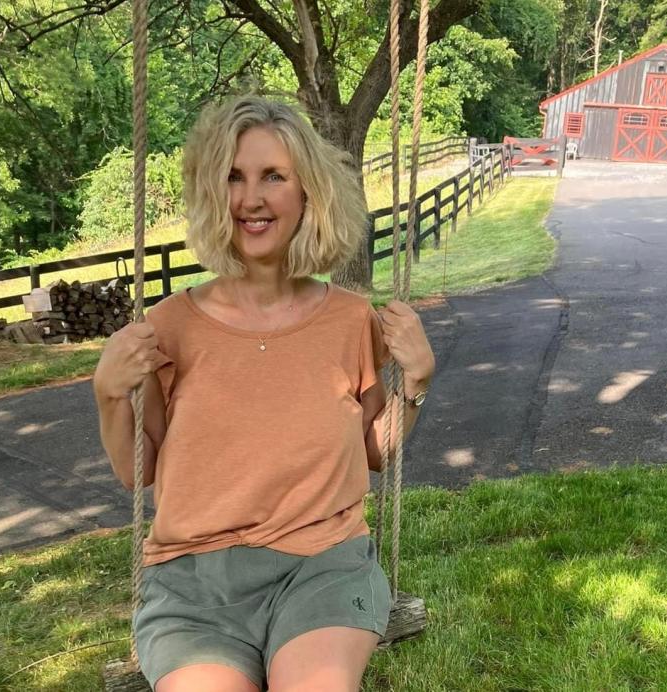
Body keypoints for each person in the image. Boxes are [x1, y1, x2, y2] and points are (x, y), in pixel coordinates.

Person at [93, 95, 435, 692]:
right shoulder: (169, 327)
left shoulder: (351, 320)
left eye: (273, 176)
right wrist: (108, 395)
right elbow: (135, 470)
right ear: (211, 193)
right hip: (193, 585)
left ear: (308, 193)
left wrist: (417, 385)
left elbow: (376, 452)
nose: (251, 198)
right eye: (233, 177)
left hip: (322, 567)